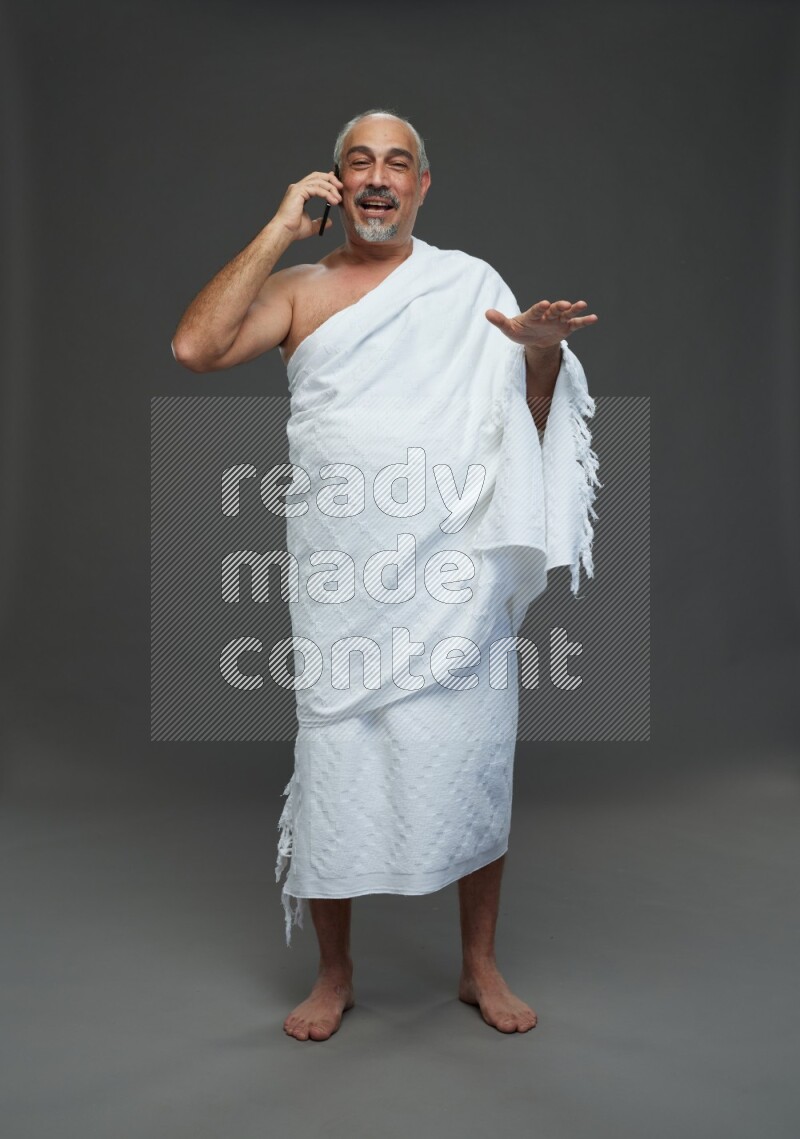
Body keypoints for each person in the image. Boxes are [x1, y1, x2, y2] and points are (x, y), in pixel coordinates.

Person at [171, 108, 599, 1042]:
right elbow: (196, 349)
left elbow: (526, 428)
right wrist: (281, 225)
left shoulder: (471, 285)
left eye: (396, 164)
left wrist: (537, 352)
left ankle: (478, 965)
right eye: (357, 162)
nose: (377, 178)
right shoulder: (299, 289)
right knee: (337, 762)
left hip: (456, 573)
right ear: (333, 183)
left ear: (421, 185)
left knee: (475, 757)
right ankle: (335, 973)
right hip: (341, 577)